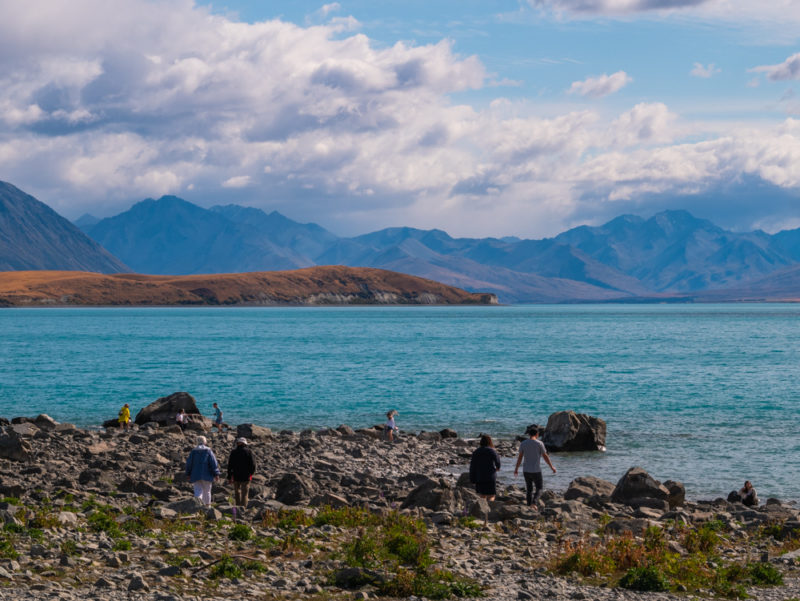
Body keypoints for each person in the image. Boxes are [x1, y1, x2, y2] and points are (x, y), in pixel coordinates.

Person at [513, 424, 556, 509]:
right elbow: (545, 456)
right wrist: (552, 467)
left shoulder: (523, 443)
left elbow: (520, 458)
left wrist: (516, 469)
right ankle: (534, 503)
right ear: (537, 434)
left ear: (529, 434)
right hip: (536, 470)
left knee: (529, 489)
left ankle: (529, 506)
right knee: (539, 488)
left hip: (526, 470)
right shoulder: (539, 443)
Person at [185, 436, 220, 506]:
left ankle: (198, 506)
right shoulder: (208, 451)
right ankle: (207, 506)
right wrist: (216, 474)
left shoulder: (193, 451)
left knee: (198, 491)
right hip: (207, 474)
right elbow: (213, 463)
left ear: (197, 442)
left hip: (195, 474)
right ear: (205, 442)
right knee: (207, 491)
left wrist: (188, 474)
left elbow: (189, 464)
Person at [469, 434, 501, 502]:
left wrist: (472, 479)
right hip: (490, 476)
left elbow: (472, 466)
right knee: (491, 495)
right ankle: (489, 506)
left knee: (482, 495)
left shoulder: (476, 452)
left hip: (479, 477)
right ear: (490, 442)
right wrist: (498, 468)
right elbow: (497, 461)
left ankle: (483, 507)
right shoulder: (492, 451)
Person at [227, 437, 256, 507]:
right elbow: (253, 464)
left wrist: (229, 476)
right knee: (245, 493)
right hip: (246, 476)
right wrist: (251, 473)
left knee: (237, 493)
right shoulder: (248, 452)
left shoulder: (233, 452)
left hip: (236, 475)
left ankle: (237, 507)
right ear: (245, 444)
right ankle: (243, 508)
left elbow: (230, 465)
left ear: (237, 443)